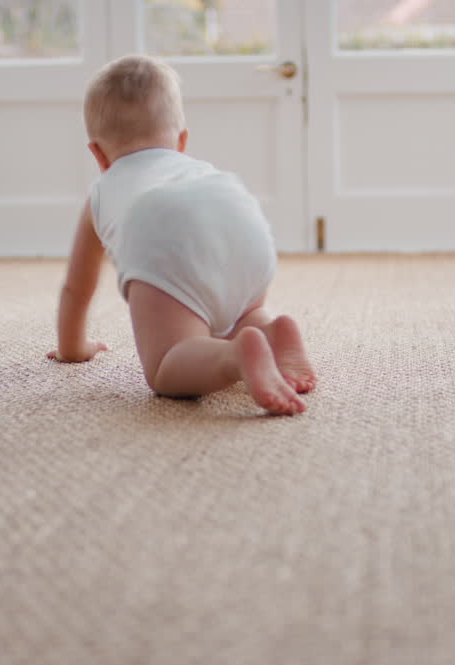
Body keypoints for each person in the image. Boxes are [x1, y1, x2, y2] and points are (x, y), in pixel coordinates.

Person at [47, 55, 315, 415]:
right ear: (182, 140)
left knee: (167, 366)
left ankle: (237, 358)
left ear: (98, 153)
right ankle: (270, 333)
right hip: (241, 219)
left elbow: (78, 289)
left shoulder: (102, 191)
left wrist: (74, 349)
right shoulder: (194, 169)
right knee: (241, 317)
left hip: (164, 228)